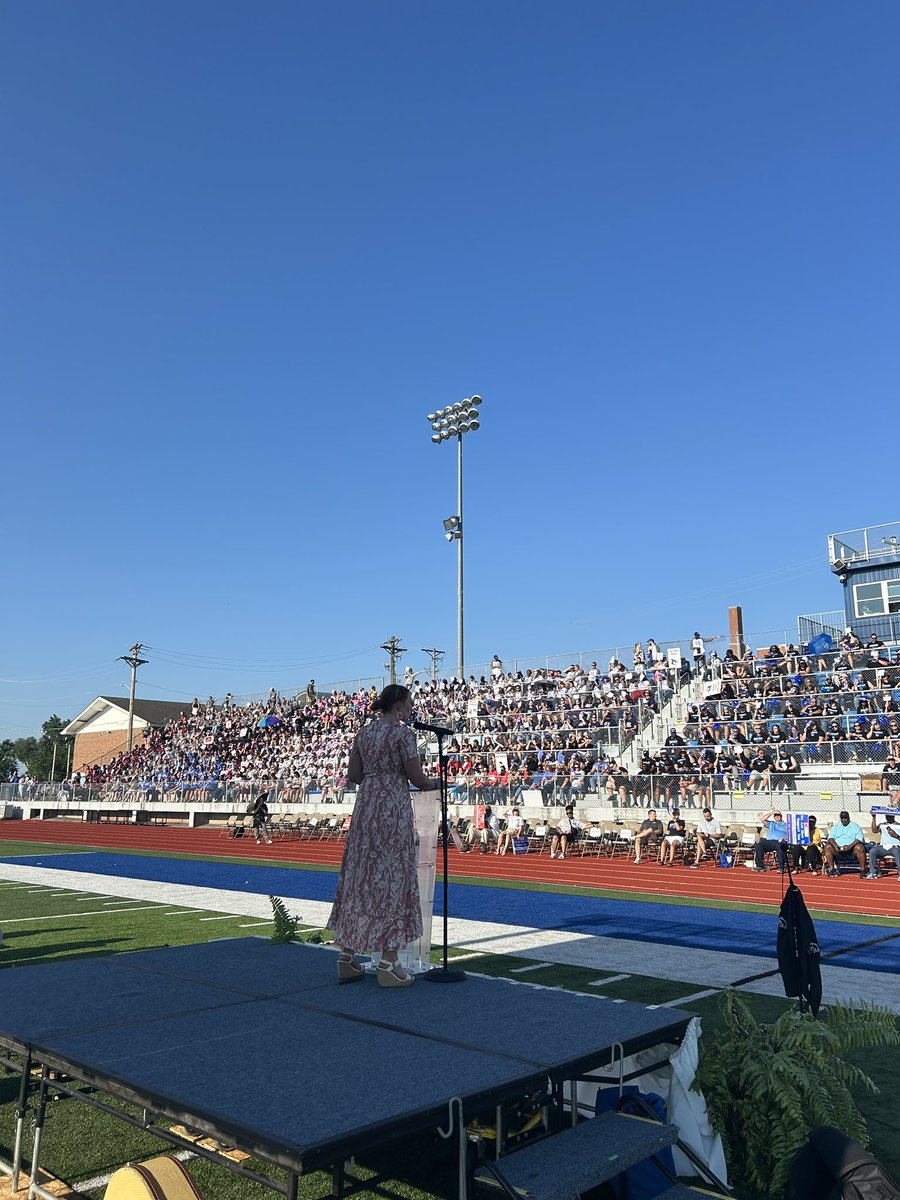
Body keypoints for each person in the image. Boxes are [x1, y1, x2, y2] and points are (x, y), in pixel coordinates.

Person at [327, 684, 437, 988]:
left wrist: (376, 778)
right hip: (392, 808)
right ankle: (389, 962)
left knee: (361, 876)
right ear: (399, 705)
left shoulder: (364, 733)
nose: (411, 709)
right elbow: (415, 776)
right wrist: (433, 783)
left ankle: (347, 956)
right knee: (392, 877)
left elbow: (354, 775)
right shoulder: (403, 733)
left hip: (366, 806)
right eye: (410, 703)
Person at [823, 810, 867, 879]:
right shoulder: (836, 827)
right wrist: (835, 846)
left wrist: (850, 846)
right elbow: (830, 838)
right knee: (827, 847)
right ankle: (832, 869)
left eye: (845, 818)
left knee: (860, 847)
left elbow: (859, 839)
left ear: (849, 818)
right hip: (838, 849)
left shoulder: (855, 826)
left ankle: (862, 870)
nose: (844, 820)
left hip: (851, 849)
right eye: (842, 818)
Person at [753, 808, 792, 872]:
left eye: (778, 815)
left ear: (781, 816)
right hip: (769, 841)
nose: (777, 817)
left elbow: (791, 834)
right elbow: (762, 819)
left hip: (780, 841)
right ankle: (759, 866)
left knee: (781, 846)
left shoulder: (786, 825)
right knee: (759, 845)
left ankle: (781, 867)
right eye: (775, 816)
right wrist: (771, 813)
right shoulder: (771, 823)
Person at [866, 809, 900, 880]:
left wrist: (896, 835)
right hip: (883, 847)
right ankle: (873, 872)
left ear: (893, 816)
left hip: (895, 847)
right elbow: (874, 830)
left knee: (897, 852)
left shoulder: (898, 825)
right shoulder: (882, 825)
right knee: (873, 850)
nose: (888, 818)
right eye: (887, 816)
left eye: (890, 816)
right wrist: (873, 817)